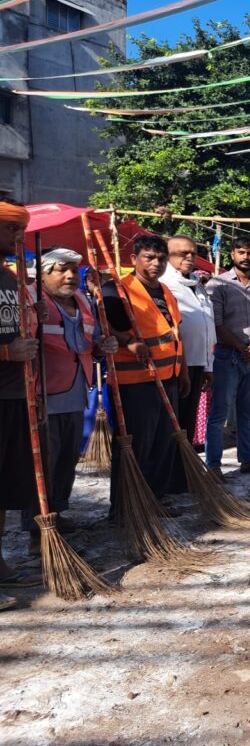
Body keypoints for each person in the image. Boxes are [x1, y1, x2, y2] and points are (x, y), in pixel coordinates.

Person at [22, 249, 118, 549]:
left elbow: (89, 343)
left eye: (74, 271)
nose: (69, 276)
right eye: (62, 270)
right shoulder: (30, 299)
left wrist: (103, 346)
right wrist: (32, 317)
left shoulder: (83, 302)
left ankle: (58, 512)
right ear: (44, 272)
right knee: (43, 464)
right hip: (42, 394)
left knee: (66, 459)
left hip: (76, 392)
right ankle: (38, 528)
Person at [102, 235, 186, 514]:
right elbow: (103, 326)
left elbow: (175, 333)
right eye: (149, 257)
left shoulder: (165, 291)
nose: (156, 263)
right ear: (134, 259)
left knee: (163, 443)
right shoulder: (117, 291)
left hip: (168, 376)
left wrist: (182, 371)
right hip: (135, 382)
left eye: (161, 258)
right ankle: (126, 506)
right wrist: (128, 341)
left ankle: (154, 498)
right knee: (136, 445)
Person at [205, 238, 250, 479]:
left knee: (249, 411)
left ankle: (249, 459)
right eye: (241, 252)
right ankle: (213, 464)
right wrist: (242, 346)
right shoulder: (218, 284)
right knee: (219, 412)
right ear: (232, 254)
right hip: (227, 355)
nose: (246, 257)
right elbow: (217, 323)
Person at [0, 201, 41, 601]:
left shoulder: (11, 279)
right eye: (12, 229)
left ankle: (1, 566)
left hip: (14, 392)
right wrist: (5, 354)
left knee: (6, 490)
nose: (19, 237)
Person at [160, 235, 215, 445]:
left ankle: (184, 471)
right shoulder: (165, 283)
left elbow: (207, 325)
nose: (189, 257)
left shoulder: (196, 283)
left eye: (193, 253)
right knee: (174, 424)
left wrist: (208, 366)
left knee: (187, 424)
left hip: (198, 362)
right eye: (183, 253)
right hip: (176, 365)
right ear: (168, 255)